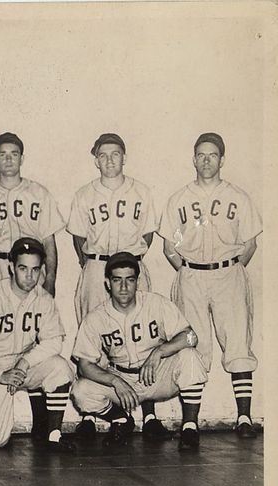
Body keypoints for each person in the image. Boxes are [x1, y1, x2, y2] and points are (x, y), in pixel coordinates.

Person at [66, 133, 169, 442]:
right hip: (97, 266)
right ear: (95, 159)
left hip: (131, 265)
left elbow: (148, 235)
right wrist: (93, 264)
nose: (109, 160)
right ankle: (91, 413)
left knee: (144, 337)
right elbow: (78, 238)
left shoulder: (141, 191)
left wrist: (130, 262)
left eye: (115, 154)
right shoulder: (84, 194)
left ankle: (149, 414)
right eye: (103, 155)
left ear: (124, 157)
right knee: (93, 337)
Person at [159, 132, 262, 439]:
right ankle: (190, 422)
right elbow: (168, 248)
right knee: (193, 344)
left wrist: (229, 270)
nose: (206, 161)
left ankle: (243, 418)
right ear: (194, 159)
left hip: (228, 273)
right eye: (201, 155)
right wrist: (190, 271)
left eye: (212, 155)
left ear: (222, 160)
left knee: (238, 344)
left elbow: (250, 243)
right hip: (190, 275)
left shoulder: (238, 196)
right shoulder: (179, 198)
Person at [70, 252, 208, 451]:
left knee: (190, 357)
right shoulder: (96, 317)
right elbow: (84, 366)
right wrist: (115, 381)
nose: (124, 287)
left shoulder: (156, 303)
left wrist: (160, 351)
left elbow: (191, 337)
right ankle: (121, 419)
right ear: (108, 283)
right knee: (81, 390)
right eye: (117, 280)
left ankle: (189, 427)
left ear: (137, 282)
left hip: (156, 375)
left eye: (130, 280)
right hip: (122, 377)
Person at [0, 238, 74, 451]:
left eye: (35, 269)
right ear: (11, 267)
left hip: (22, 364)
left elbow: (54, 341)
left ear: (41, 269)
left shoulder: (43, 299)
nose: (29, 276)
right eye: (23, 268)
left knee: (61, 368)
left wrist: (24, 363)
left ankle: (52, 435)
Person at [0, 132, 64, 301]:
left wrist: (50, 280)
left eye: (14, 154)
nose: (8, 160)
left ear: (22, 159)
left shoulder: (39, 193)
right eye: (3, 155)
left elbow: (49, 242)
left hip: (31, 268)